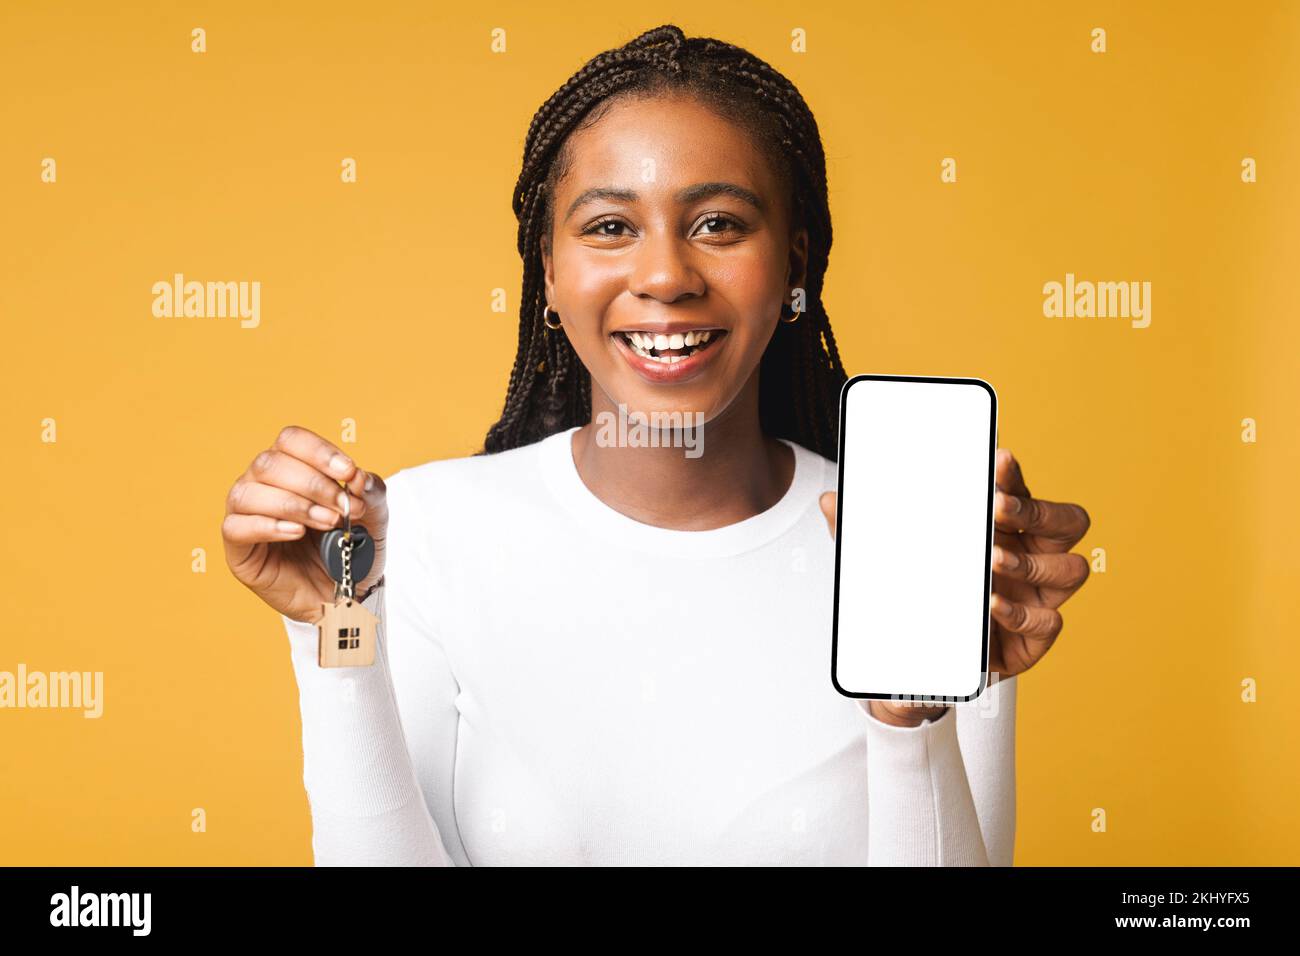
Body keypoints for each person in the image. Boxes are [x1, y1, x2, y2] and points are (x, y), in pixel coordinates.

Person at [221, 24, 1092, 865]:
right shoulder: (426, 530)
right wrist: (335, 626)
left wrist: (913, 723)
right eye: (609, 227)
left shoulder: (913, 555)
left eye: (718, 224)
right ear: (550, 276)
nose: (667, 275)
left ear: (793, 268)